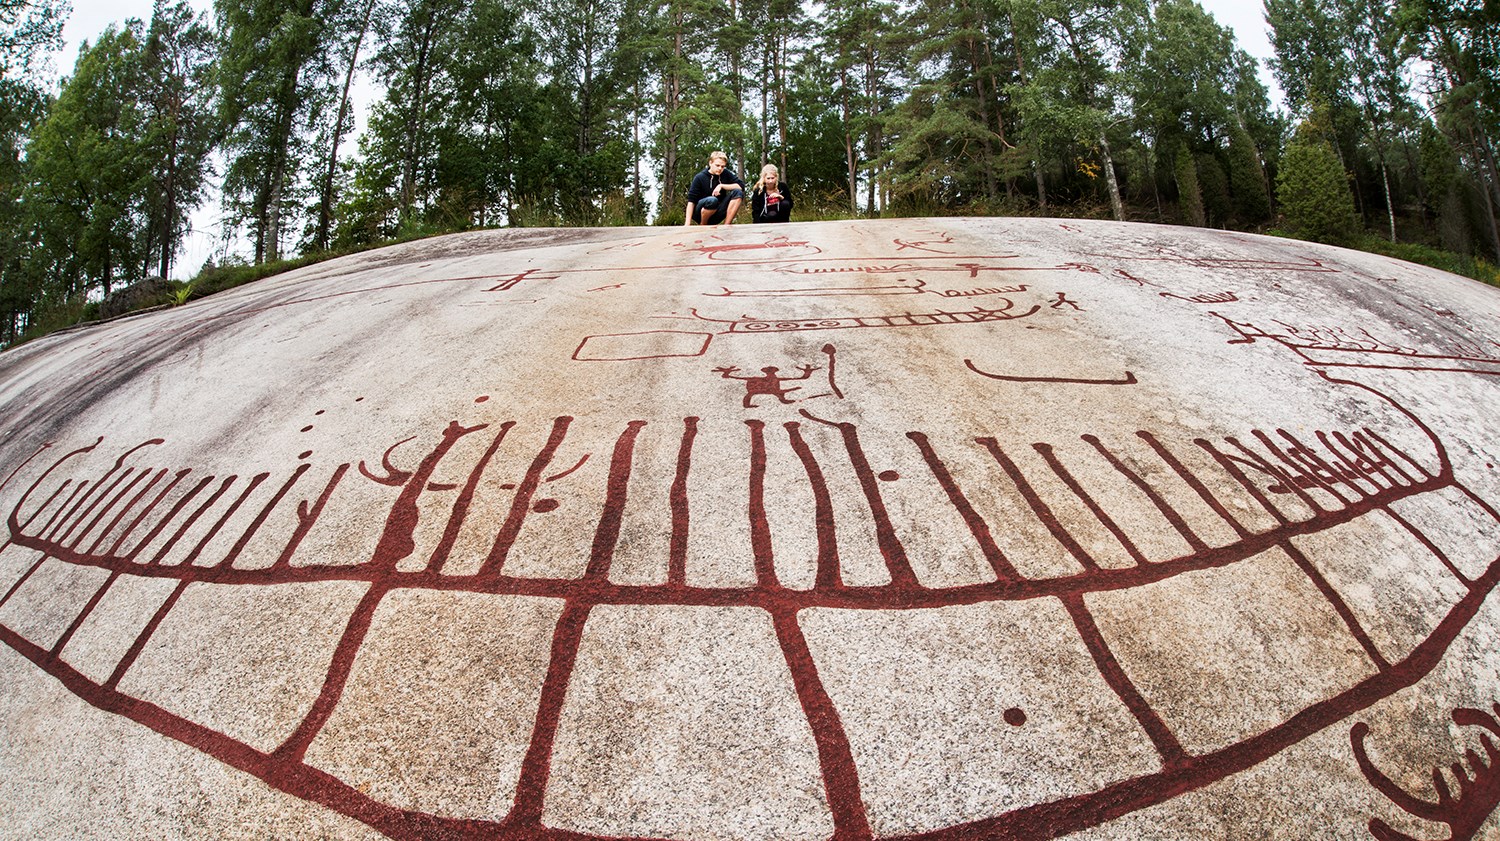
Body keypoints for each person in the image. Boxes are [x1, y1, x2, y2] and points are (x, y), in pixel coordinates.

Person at [684, 151, 746, 226]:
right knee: (712, 200)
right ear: (710, 163)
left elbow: (741, 186)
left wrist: (721, 186)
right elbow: (691, 202)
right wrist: (687, 224)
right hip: (700, 212)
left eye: (722, 166)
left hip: (717, 211)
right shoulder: (699, 177)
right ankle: (703, 224)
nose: (720, 168)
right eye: (717, 165)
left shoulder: (725, 174)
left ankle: (726, 226)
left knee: (738, 192)